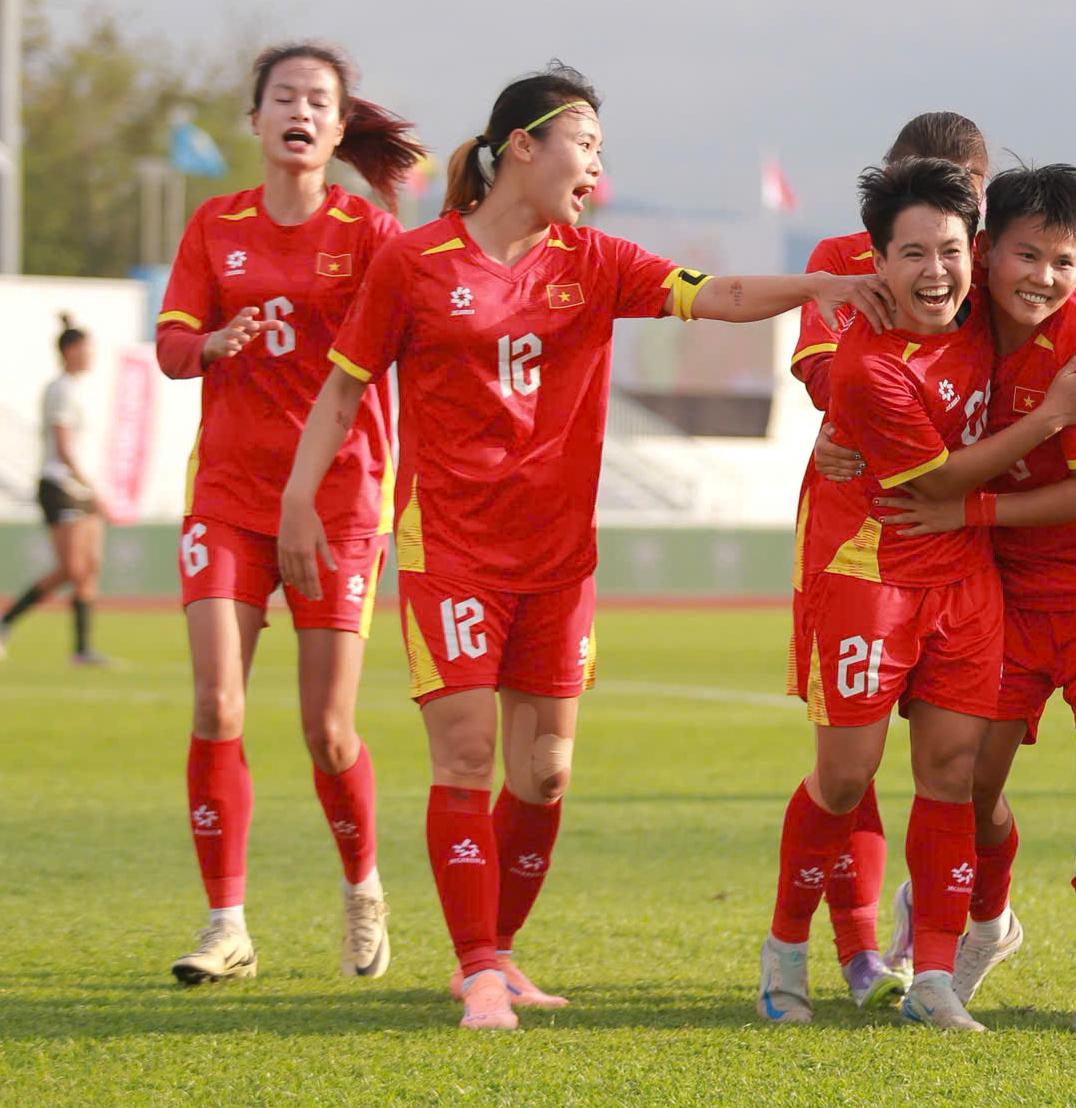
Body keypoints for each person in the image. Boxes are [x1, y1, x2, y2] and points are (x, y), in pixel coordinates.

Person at [279, 64, 875, 1031]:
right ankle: (474, 970)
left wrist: (817, 282)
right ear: (524, 145)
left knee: (546, 771)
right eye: (586, 143)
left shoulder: (594, 262)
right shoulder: (416, 262)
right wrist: (302, 500)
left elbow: (713, 294)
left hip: (558, 559)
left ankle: (499, 951)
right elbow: (344, 390)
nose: (598, 165)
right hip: (453, 550)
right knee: (467, 753)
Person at [760, 158, 1076, 1033]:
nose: (936, 271)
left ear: (979, 251)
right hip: (876, 568)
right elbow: (939, 484)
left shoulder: (985, 309)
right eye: (913, 254)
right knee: (845, 780)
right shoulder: (867, 366)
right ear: (876, 262)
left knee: (951, 776)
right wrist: (1053, 414)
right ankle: (783, 951)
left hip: (967, 578)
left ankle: (931, 977)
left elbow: (1065, 288)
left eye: (951, 251)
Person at [868, 163, 1076, 1036]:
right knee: (967, 783)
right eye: (1027, 254)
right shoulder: (951, 317)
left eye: (1066, 261)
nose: (1043, 277)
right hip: (1003, 584)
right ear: (987, 249)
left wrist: (966, 507)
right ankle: (990, 922)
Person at [152, 42, 424, 987]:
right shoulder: (213, 226)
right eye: (283, 97)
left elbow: (422, 346)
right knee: (217, 701)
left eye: (319, 100)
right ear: (257, 120)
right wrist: (213, 340)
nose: (300, 111)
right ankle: (226, 924)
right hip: (227, 496)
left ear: (340, 129)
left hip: (345, 503)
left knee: (328, 730)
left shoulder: (373, 235)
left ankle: (363, 892)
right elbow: (172, 347)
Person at [779, 111, 995, 1012]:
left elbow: (1069, 312)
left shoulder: (992, 260)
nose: (936, 256)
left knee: (956, 767)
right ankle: (855, 945)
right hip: (853, 534)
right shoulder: (843, 257)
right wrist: (858, 423)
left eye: (962, 195)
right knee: (850, 761)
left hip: (966, 543)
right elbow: (832, 375)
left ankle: (941, 949)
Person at [0, 316, 113, 667]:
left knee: (90, 567)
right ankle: (3, 620)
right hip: (61, 485)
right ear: (70, 351)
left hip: (83, 487)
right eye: (86, 348)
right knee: (71, 569)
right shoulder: (60, 390)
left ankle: (82, 649)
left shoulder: (79, 389)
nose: (91, 355)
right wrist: (92, 487)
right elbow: (64, 447)